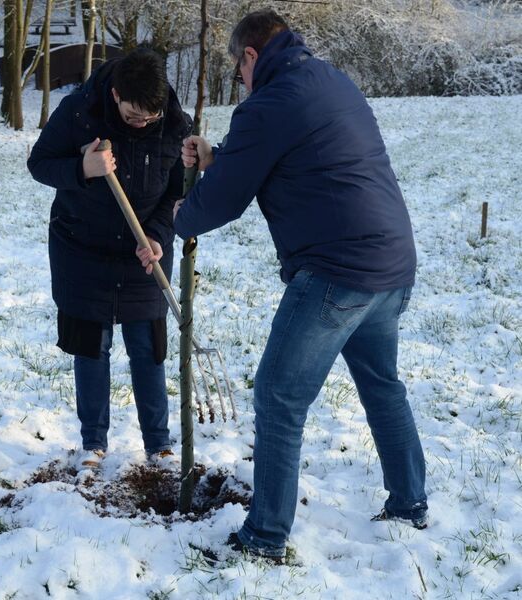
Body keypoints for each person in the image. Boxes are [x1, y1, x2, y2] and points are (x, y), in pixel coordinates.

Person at [174, 10, 427, 562]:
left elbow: (220, 202)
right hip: (391, 264)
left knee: (278, 396)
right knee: (383, 385)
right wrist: (219, 157)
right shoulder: (331, 80)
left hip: (339, 272)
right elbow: (293, 158)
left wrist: (177, 216)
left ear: (249, 57)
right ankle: (410, 504)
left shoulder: (268, 103)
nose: (240, 81)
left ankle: (264, 537)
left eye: (237, 69)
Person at [28, 48, 192, 469]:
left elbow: (178, 192)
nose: (143, 123)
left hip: (143, 255)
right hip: (81, 250)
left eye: (150, 117)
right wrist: (83, 167)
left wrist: (157, 235)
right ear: (116, 95)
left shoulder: (173, 124)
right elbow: (40, 164)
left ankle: (159, 444)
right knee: (91, 349)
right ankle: (93, 443)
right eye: (134, 115)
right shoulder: (79, 112)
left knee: (148, 349)